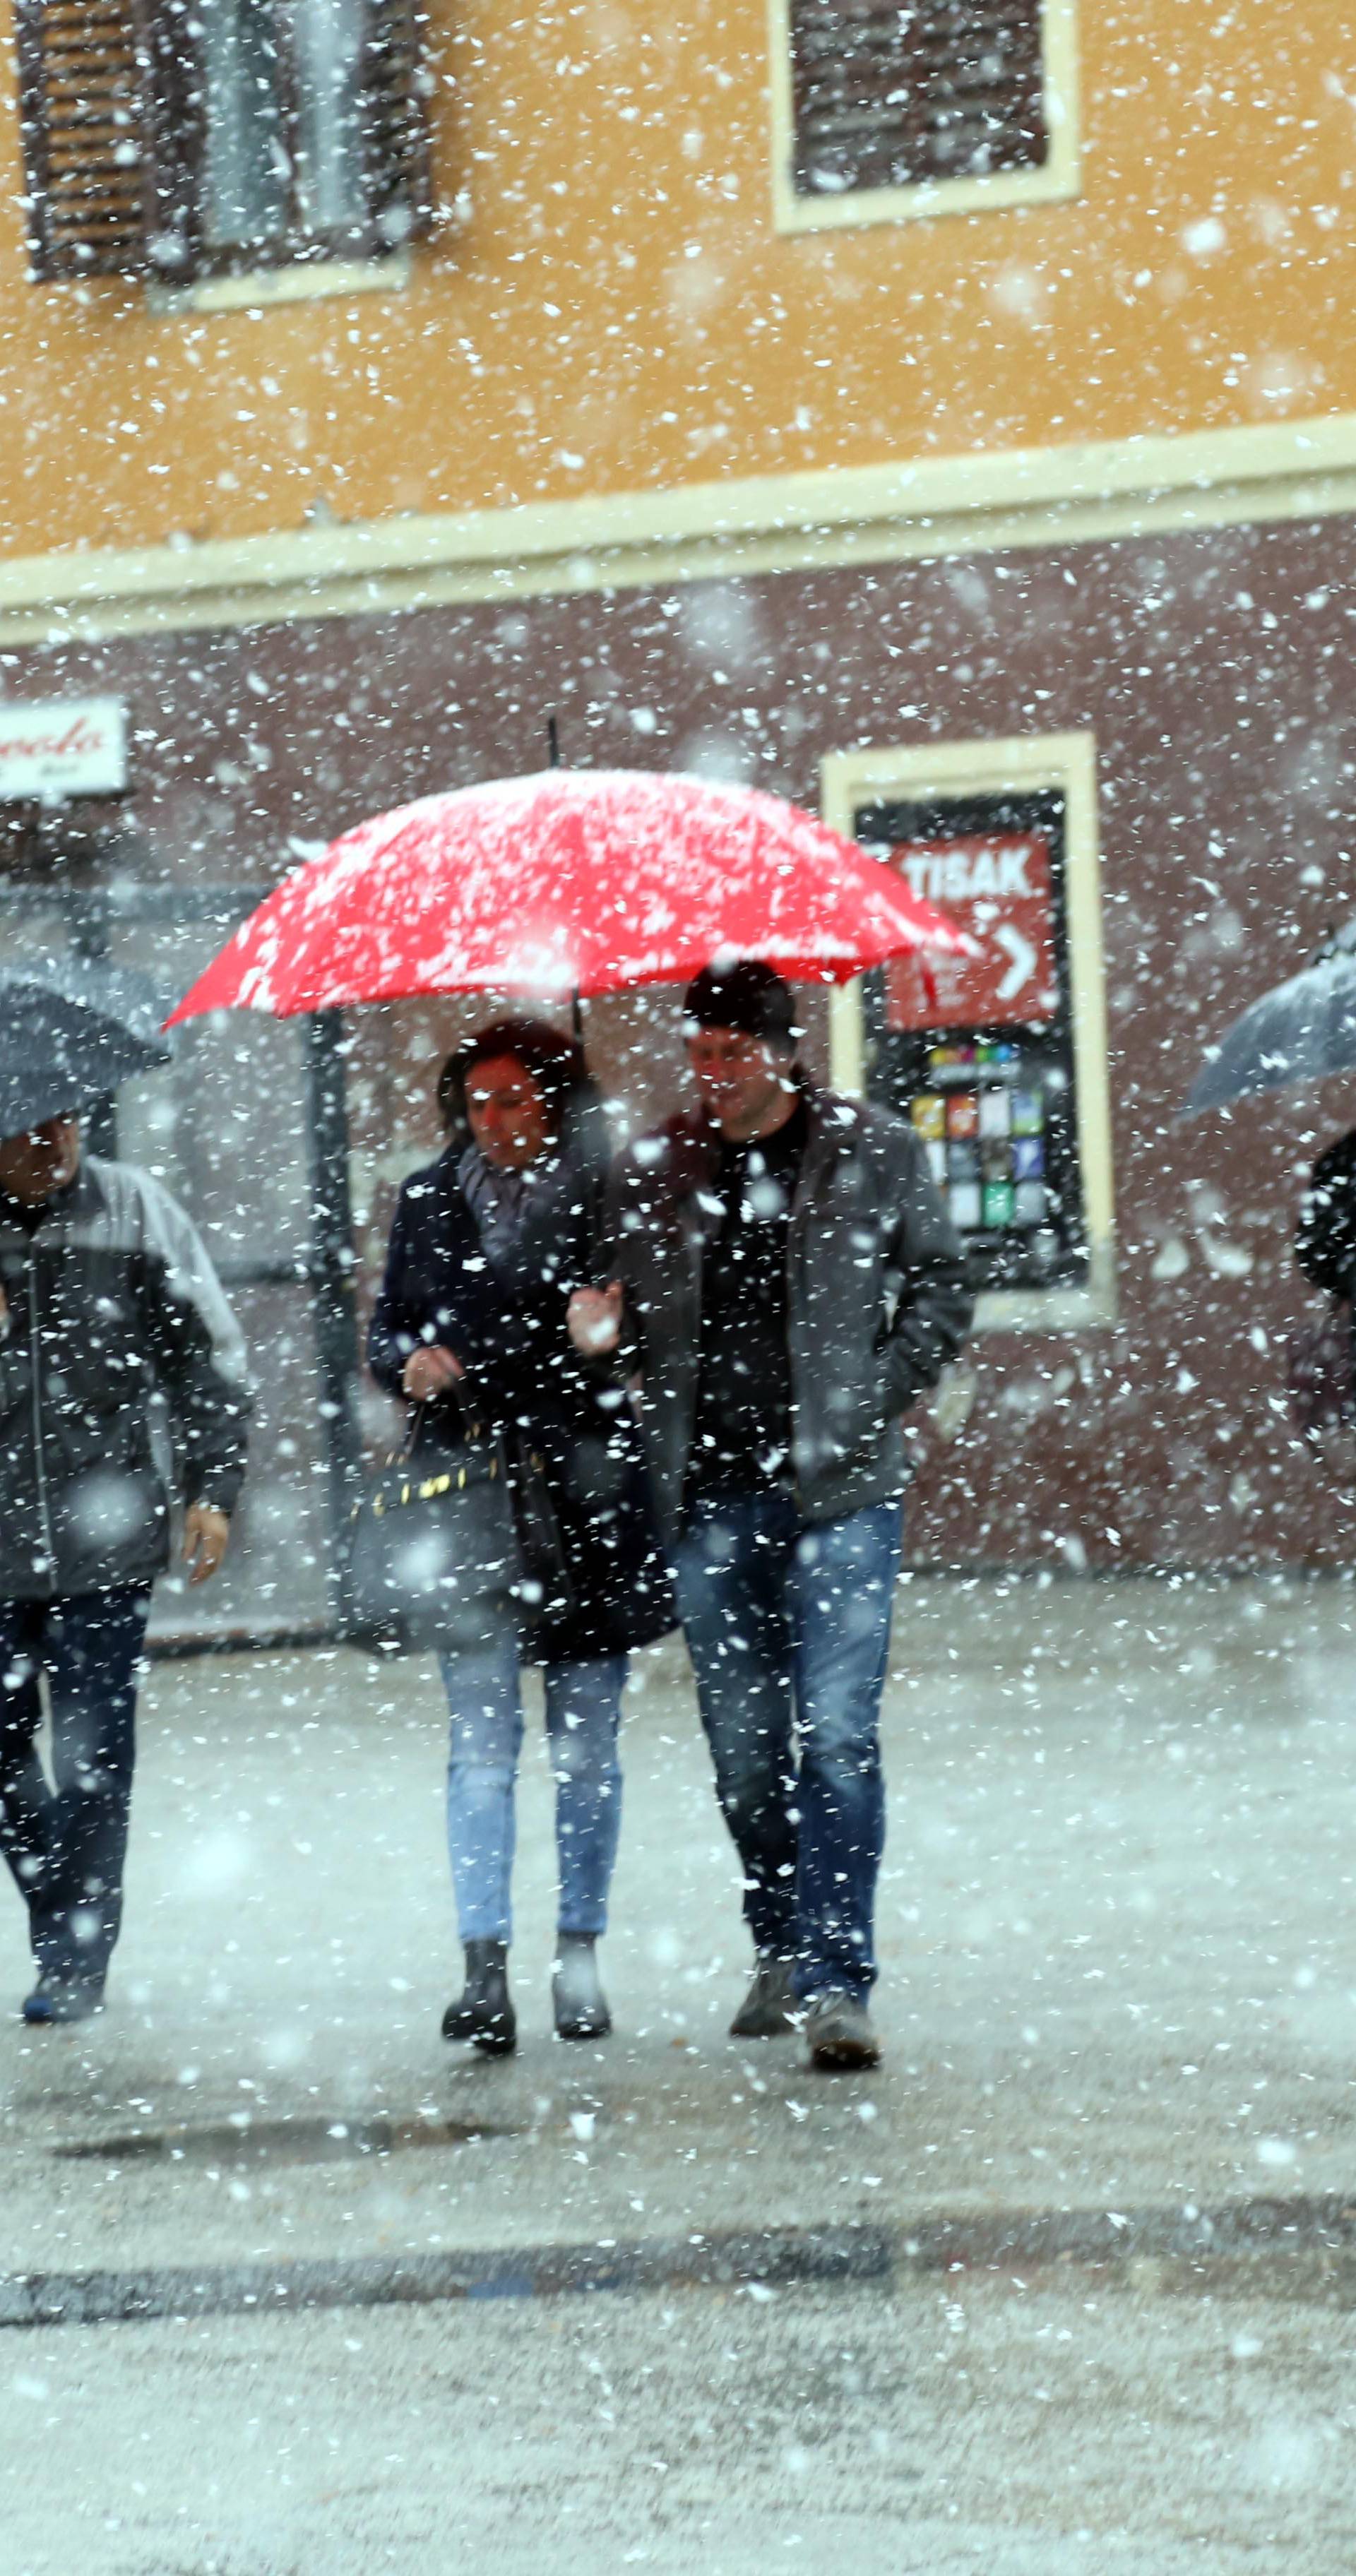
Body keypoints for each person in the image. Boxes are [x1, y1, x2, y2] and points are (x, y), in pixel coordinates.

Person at [569, 961, 973, 2071]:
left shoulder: (875, 1149)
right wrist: (598, 1330)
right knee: (746, 1753)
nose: (711, 1077)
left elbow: (941, 1286)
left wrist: (874, 1395)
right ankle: (780, 1941)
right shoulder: (650, 1166)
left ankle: (841, 1980)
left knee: (837, 1737)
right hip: (707, 1498)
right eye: (698, 1055)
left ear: (785, 1053)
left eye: (732, 1056)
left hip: (840, 1491)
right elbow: (615, 1318)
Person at [368, 1019, 673, 2054]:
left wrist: (613, 1333)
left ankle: (579, 1956)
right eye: (479, 1102)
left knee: (587, 1747)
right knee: (482, 1744)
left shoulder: (611, 1194)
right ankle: (483, 1970)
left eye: (516, 1099)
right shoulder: (426, 1199)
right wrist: (413, 1360)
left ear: (556, 1100)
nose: (496, 1122)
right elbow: (386, 1331)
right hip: (469, 1495)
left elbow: (657, 1328)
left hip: (586, 1494)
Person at [0, 1109, 249, 2025]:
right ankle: (64, 1908)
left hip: (108, 1540)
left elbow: (209, 1361)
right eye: (26, 1125)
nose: (51, 1140)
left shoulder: (135, 1210)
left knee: (96, 1755)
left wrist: (213, 1488)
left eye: (62, 1120)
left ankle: (74, 1960)